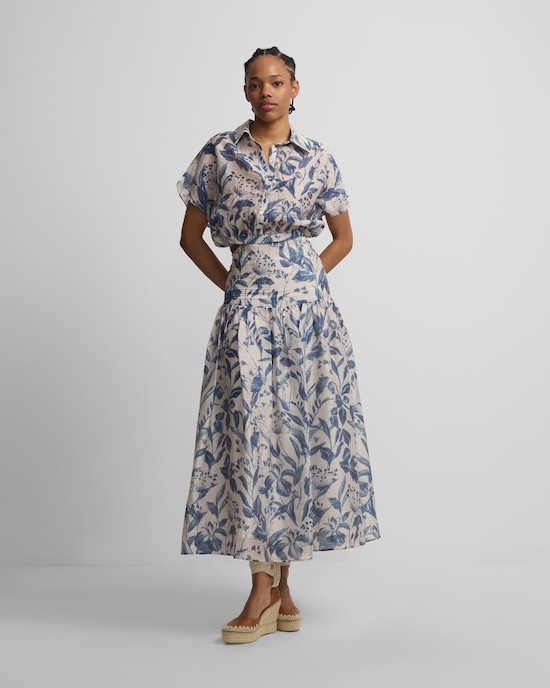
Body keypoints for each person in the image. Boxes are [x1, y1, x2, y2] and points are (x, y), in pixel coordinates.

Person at [177, 46, 380, 644]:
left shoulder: (318, 157)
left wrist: (303, 280)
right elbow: (191, 238)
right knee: (252, 439)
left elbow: (343, 237)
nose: (265, 91)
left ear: (294, 88)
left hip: (309, 318)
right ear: (245, 91)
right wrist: (238, 285)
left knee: (296, 439)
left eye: (276, 81)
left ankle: (282, 589)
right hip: (247, 317)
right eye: (254, 83)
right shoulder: (219, 153)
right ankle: (261, 587)